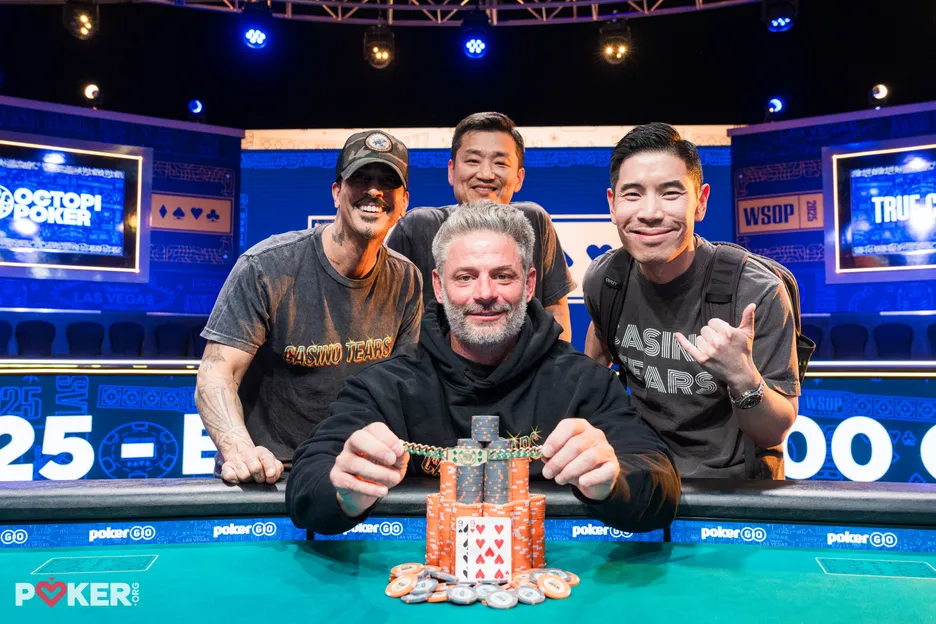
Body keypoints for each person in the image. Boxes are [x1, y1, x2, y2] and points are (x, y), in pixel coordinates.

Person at [286, 201, 680, 535]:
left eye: (503, 276)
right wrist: (343, 493)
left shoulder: (584, 384)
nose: (486, 293)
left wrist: (614, 482)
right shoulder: (385, 387)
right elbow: (306, 483)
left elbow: (659, 480)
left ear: (528, 285)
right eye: (466, 277)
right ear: (438, 288)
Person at [196, 131, 423, 486]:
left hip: (355, 474)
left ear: (404, 202)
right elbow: (216, 375)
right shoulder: (266, 266)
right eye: (361, 178)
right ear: (336, 192)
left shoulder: (407, 279)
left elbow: (405, 388)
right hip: (270, 476)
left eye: (388, 182)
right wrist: (239, 449)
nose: (374, 191)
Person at [582, 122, 800, 479]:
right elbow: (598, 357)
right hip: (643, 480)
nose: (650, 213)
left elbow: (772, 431)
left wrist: (742, 377)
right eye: (633, 194)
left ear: (700, 203)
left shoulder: (755, 291)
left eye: (670, 194)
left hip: (734, 493)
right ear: (612, 204)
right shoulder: (606, 279)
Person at [386, 111, 576, 341]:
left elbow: (555, 309)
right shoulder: (417, 228)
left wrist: (558, 372)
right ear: (451, 171)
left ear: (519, 178)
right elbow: (387, 316)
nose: (485, 174)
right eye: (473, 161)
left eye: (500, 163)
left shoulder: (535, 222)